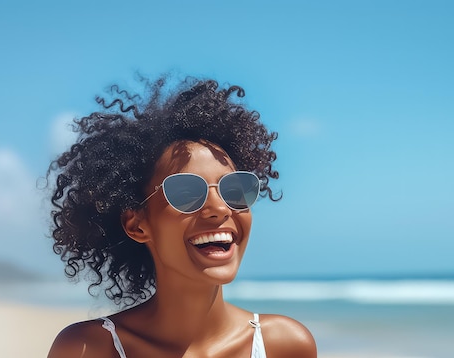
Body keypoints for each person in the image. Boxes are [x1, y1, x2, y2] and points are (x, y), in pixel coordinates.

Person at [47, 76, 317, 358]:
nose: (220, 208)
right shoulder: (89, 349)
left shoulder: (285, 345)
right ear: (137, 225)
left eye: (235, 189)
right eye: (186, 192)